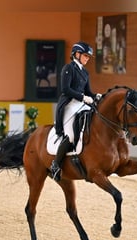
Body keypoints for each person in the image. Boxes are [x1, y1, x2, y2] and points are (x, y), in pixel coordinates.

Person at [49, 41, 101, 182]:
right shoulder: (68, 68)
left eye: (88, 57)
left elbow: (88, 91)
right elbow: (66, 89)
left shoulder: (85, 72)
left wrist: (95, 96)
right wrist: (83, 97)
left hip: (82, 104)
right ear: (76, 54)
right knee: (71, 136)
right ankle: (55, 165)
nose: (87, 59)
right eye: (85, 56)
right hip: (69, 104)